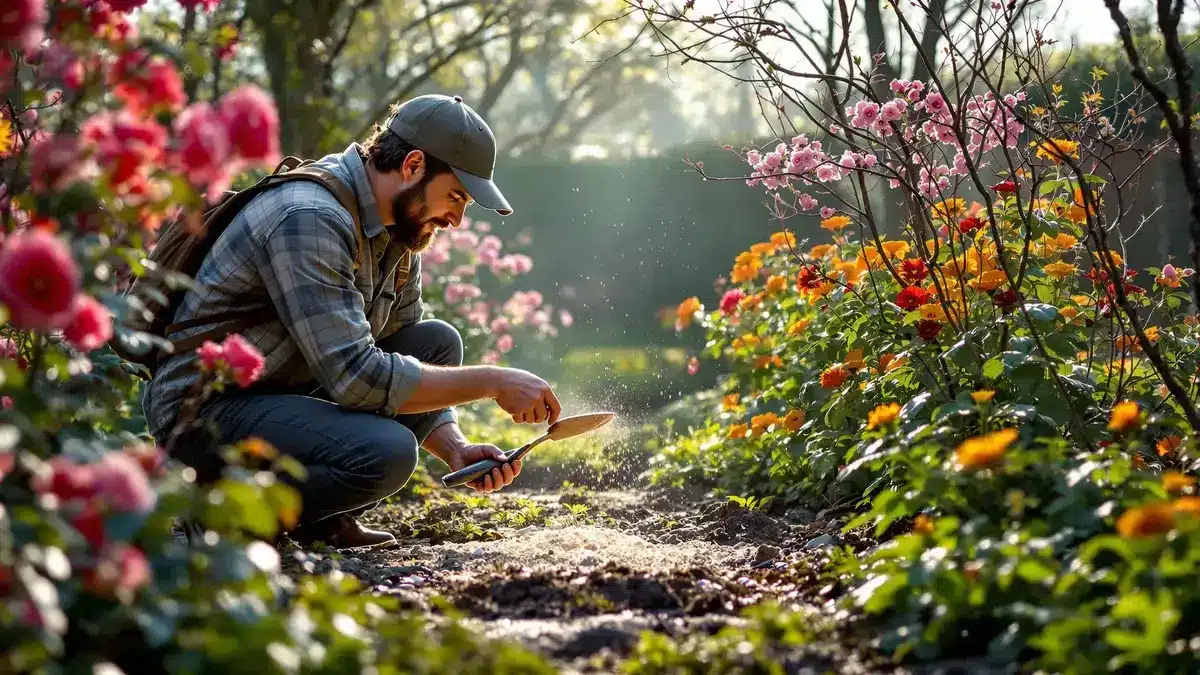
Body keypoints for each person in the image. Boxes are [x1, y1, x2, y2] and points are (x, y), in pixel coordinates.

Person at [144, 94, 561, 548]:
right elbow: (356, 378)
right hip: (206, 412)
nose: (458, 220)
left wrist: (456, 448)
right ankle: (219, 522)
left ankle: (322, 520)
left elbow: (400, 354)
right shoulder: (309, 217)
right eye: (457, 196)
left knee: (435, 343)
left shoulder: (399, 229)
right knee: (386, 454)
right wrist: (493, 381)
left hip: (283, 389)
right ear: (414, 165)